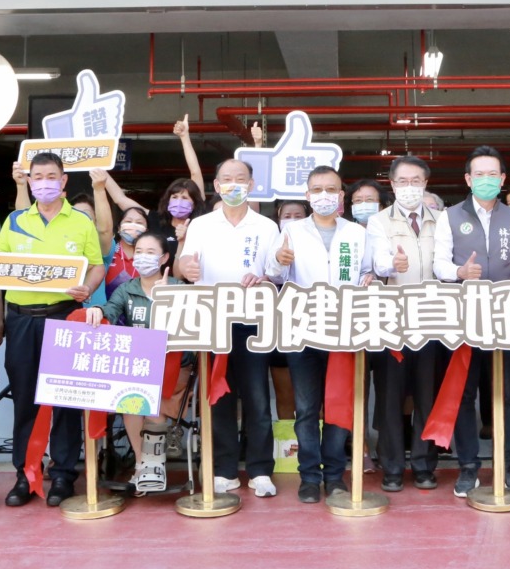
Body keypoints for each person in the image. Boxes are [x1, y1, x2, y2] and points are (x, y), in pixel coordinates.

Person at [0, 153, 105, 508]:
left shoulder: (81, 222)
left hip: (64, 316)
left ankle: (62, 475)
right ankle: (26, 474)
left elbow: (97, 266)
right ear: (28, 181)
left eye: (51, 176)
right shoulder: (14, 221)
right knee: (25, 399)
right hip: (22, 319)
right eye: (37, 176)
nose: (44, 182)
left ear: (63, 181)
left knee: (65, 399)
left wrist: (87, 289)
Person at [265, 165, 370, 502]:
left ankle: (335, 476)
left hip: (343, 329)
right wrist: (280, 261)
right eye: (317, 190)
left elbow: (368, 272)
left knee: (339, 405)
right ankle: (309, 476)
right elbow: (273, 274)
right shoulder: (291, 231)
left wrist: (371, 278)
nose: (324, 195)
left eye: (331, 190)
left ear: (341, 196)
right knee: (307, 407)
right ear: (308, 195)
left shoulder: (356, 232)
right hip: (303, 328)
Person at [177, 158, 280, 497]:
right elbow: (185, 264)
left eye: (240, 179)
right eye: (226, 179)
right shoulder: (201, 224)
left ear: (251, 184)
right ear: (216, 185)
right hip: (211, 320)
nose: (233, 184)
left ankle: (261, 469)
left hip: (252, 320)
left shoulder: (266, 226)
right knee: (218, 396)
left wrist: (264, 277)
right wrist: (186, 267)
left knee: (257, 397)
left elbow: (276, 273)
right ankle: (224, 468)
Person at [431, 146, 510, 498]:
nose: (486, 180)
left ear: (502, 179)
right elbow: (439, 262)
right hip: (465, 316)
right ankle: (468, 466)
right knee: (465, 392)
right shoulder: (450, 215)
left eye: (493, 174)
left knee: (506, 394)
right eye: (479, 175)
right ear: (468, 179)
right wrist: (458, 271)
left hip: (505, 315)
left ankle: (509, 464)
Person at [367, 155, 443, 491]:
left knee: (428, 395)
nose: (409, 187)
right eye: (403, 181)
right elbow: (378, 261)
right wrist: (390, 265)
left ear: (425, 183)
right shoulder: (378, 222)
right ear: (393, 184)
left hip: (432, 318)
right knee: (390, 396)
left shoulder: (442, 220)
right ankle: (393, 467)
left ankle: (425, 465)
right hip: (393, 321)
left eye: (416, 181)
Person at [89, 231, 187, 494]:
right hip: (139, 364)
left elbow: (191, 325)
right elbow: (110, 311)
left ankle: (154, 462)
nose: (143, 257)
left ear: (165, 257)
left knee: (153, 396)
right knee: (130, 397)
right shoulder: (126, 289)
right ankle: (144, 462)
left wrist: (166, 300)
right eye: (139, 252)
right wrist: (98, 311)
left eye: (150, 252)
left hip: (174, 365)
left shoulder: (178, 287)